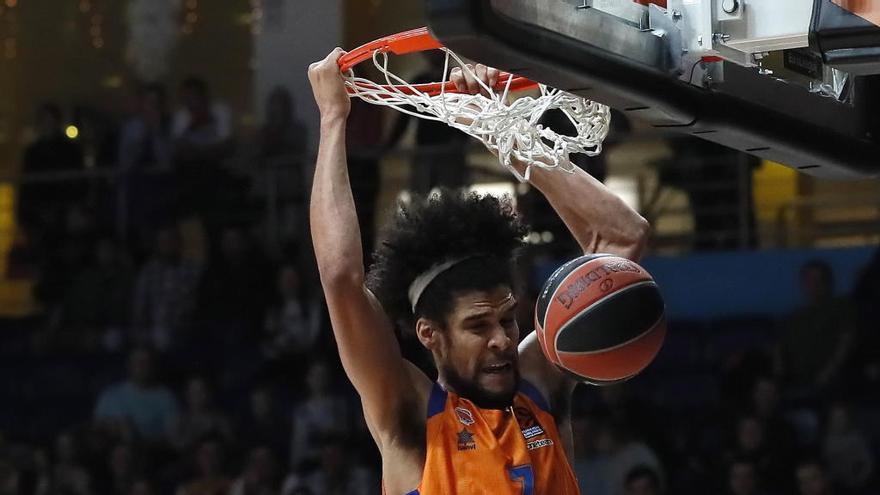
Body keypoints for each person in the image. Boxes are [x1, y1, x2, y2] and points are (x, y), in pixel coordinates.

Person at [307, 49, 650, 494]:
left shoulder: (537, 384)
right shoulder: (409, 414)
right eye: (478, 325)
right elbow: (341, 279)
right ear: (430, 334)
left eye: (507, 318)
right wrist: (333, 119)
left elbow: (621, 240)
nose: (503, 340)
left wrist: (495, 128)